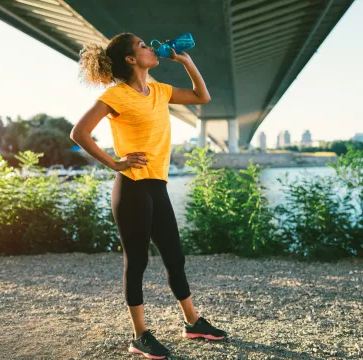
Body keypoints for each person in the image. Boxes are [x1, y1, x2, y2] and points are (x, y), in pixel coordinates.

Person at [71, 32, 228, 359]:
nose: (150, 48)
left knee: (175, 257)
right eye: (142, 46)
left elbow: (202, 97)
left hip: (157, 186)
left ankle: (193, 322)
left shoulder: (159, 91)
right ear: (131, 59)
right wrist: (114, 162)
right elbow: (79, 132)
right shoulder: (116, 95)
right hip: (131, 187)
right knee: (138, 261)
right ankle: (140, 335)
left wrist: (186, 62)